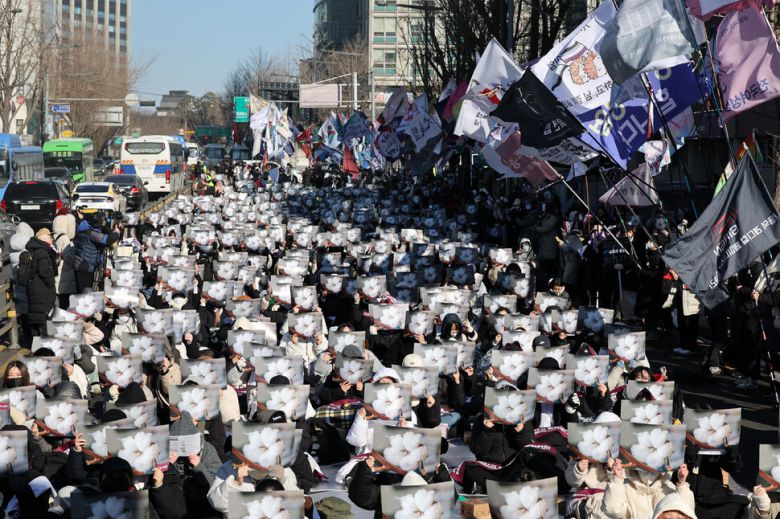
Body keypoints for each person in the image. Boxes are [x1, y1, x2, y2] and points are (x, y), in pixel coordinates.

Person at [73, 212, 121, 292]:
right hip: (84, 265)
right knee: (85, 292)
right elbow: (107, 240)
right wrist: (116, 233)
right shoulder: (90, 233)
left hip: (83, 264)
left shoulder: (85, 228)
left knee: (84, 291)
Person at [25, 228, 58, 336]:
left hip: (35, 291)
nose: (52, 238)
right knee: (45, 322)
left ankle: (36, 344)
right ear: (43, 237)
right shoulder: (42, 252)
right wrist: (51, 284)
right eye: (50, 236)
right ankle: (45, 344)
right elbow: (45, 272)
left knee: (36, 321)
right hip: (43, 292)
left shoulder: (35, 249)